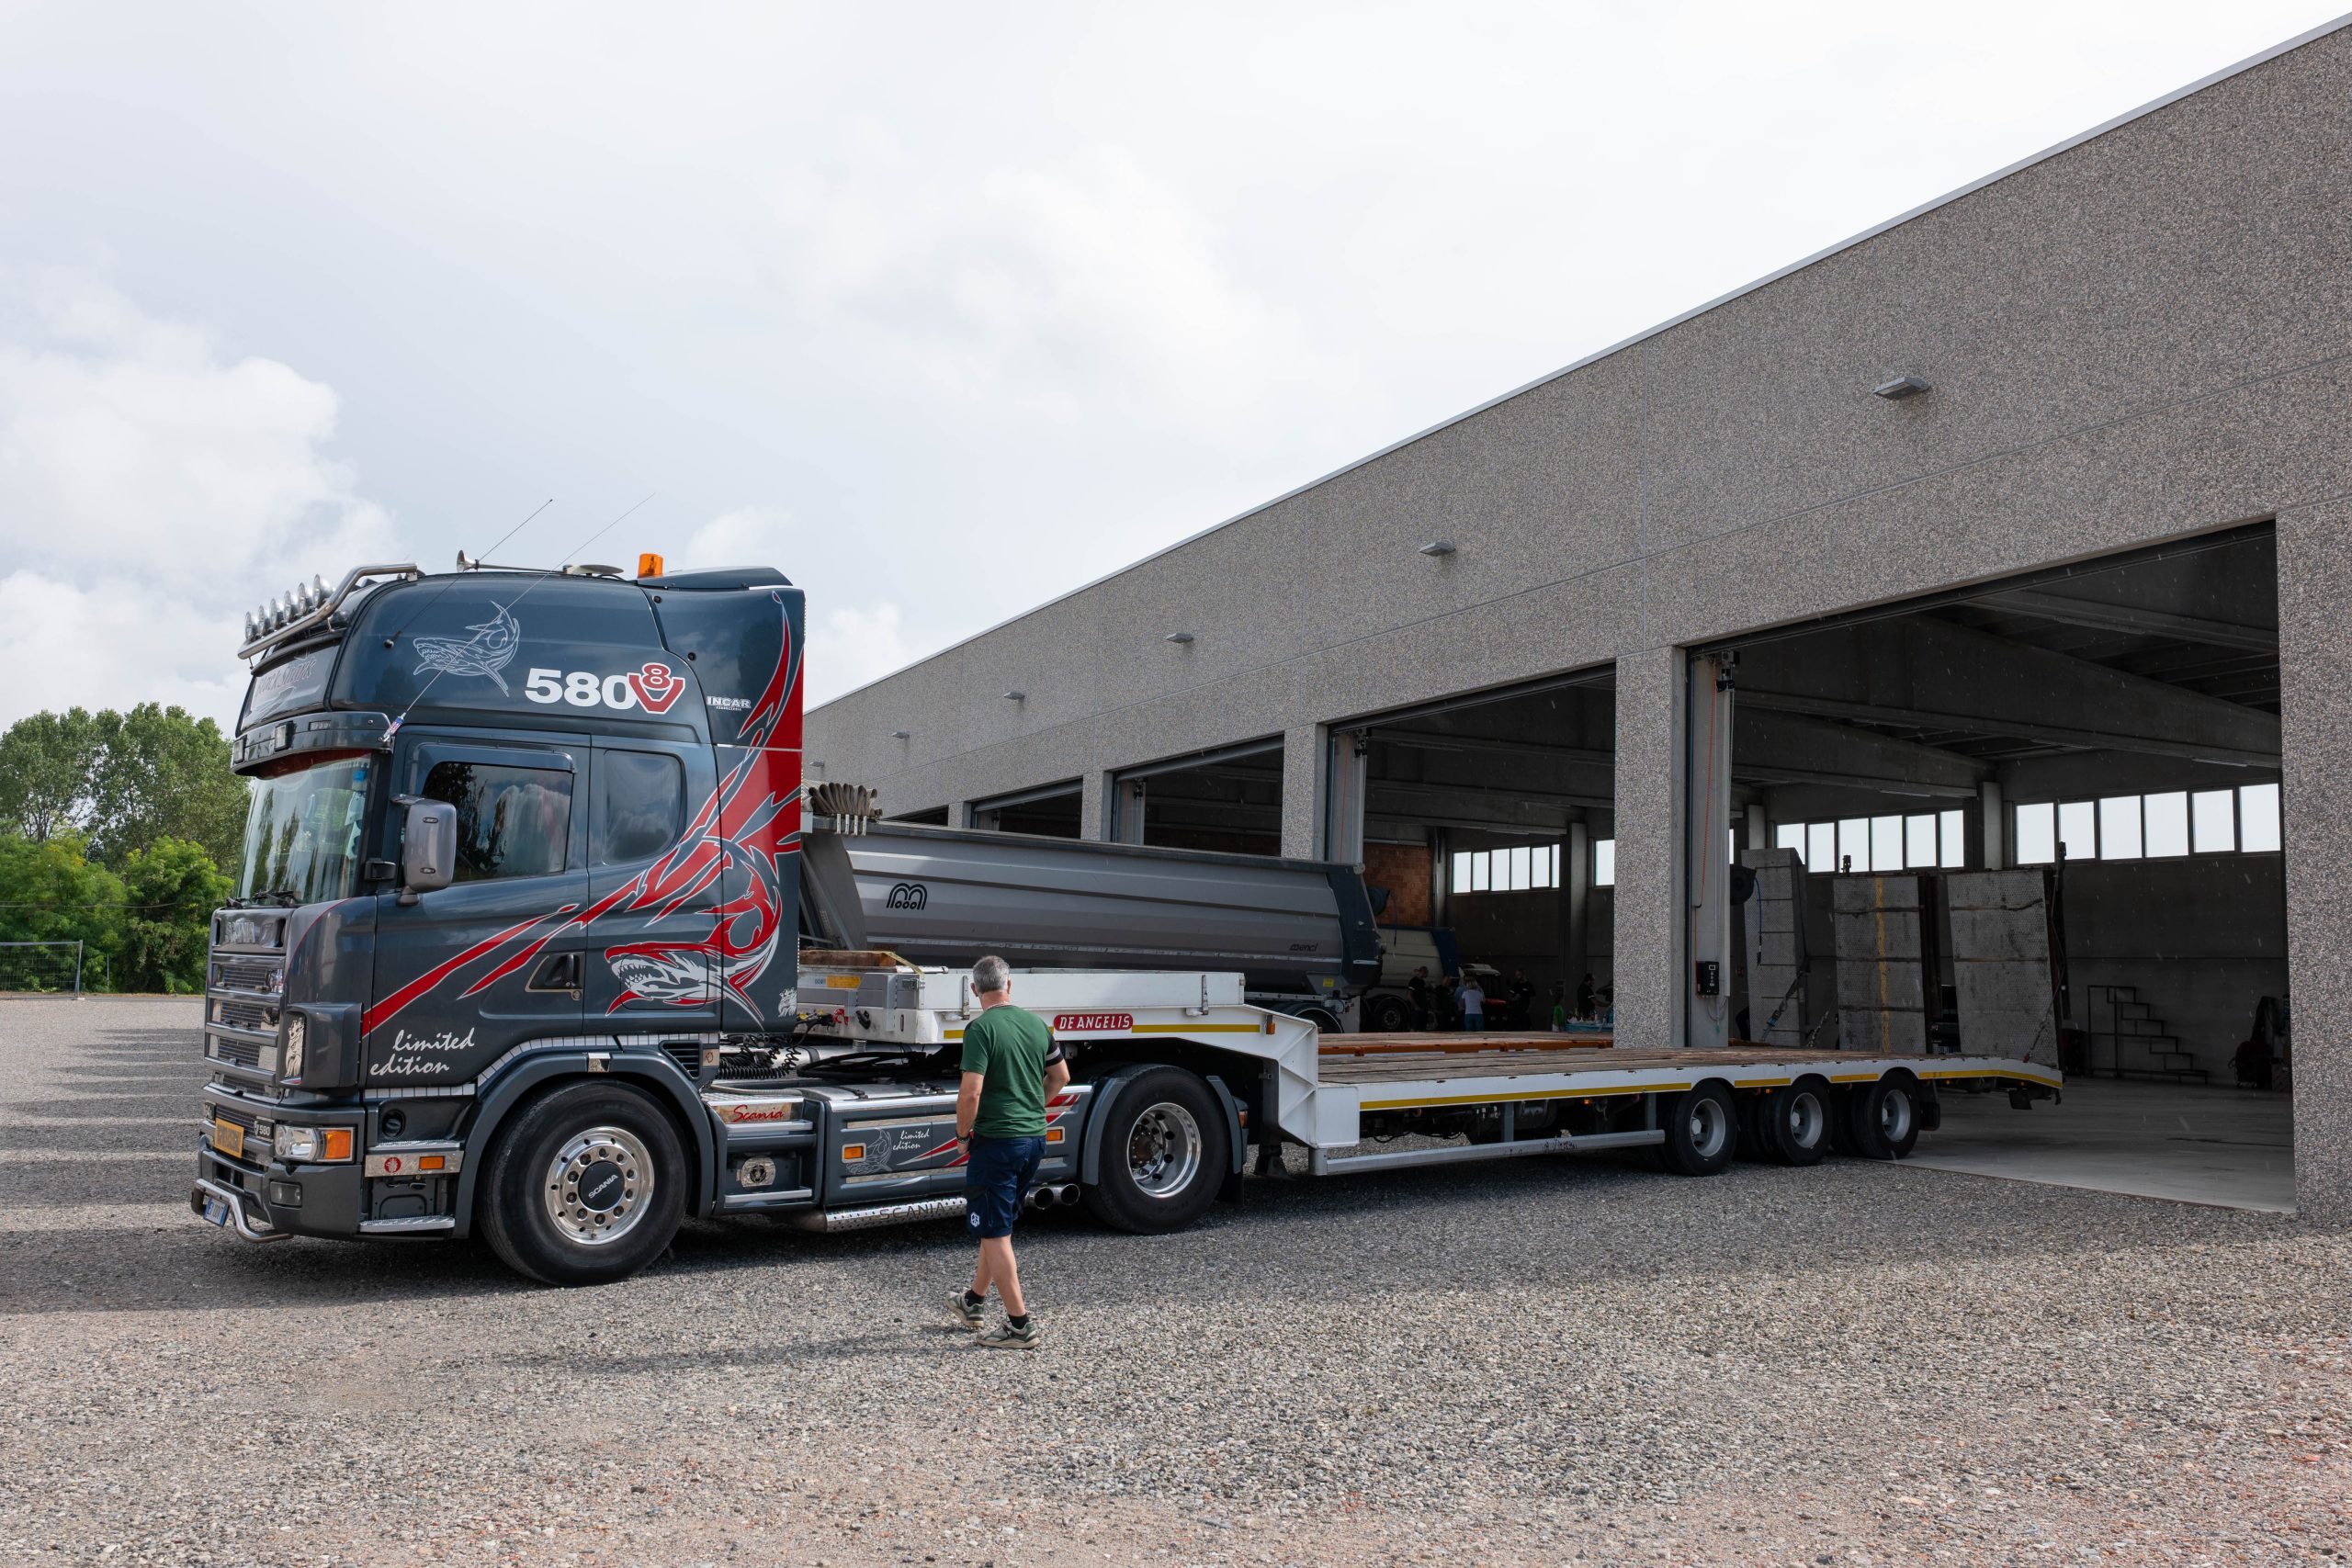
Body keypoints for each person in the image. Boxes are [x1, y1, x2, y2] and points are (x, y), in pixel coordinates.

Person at [946, 954, 1069, 1348]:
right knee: (996, 1225)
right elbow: (1061, 1076)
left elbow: (971, 1092)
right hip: (1033, 1139)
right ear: (1009, 985)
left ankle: (1020, 1325)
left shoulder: (980, 1029)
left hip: (996, 1142)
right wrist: (1034, 1107)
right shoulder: (1036, 1024)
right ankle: (973, 1301)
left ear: (974, 990)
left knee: (995, 1230)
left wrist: (963, 1135)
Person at [1406, 965, 1431, 1031]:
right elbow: (1409, 995)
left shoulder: (1422, 982)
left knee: (1422, 1028)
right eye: (1426, 972)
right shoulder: (1413, 981)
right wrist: (1416, 1006)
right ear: (1422, 972)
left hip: (1423, 1009)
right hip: (1417, 1010)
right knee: (1415, 1027)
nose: (1427, 974)